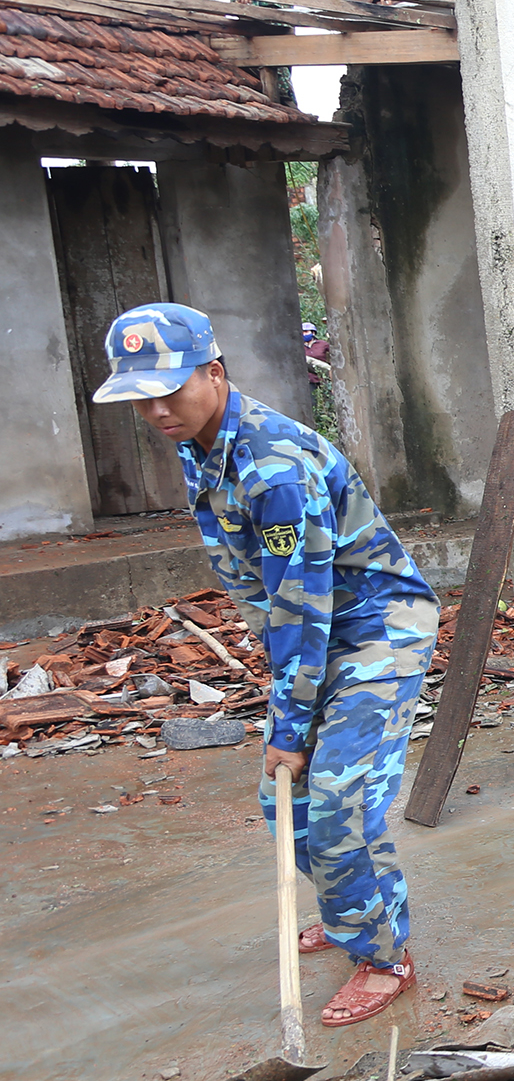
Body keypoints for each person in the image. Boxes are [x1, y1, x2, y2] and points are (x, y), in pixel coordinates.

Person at [94, 304, 439, 1028]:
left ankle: (383, 955)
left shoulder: (273, 467)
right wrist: (291, 709)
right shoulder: (203, 440)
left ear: (214, 373)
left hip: (375, 629)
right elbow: (274, 596)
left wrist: (291, 720)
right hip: (315, 628)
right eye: (142, 397)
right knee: (283, 799)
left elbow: (303, 606)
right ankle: (352, 914)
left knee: (339, 795)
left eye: (171, 390)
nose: (156, 410)